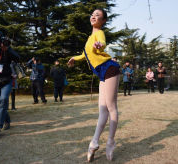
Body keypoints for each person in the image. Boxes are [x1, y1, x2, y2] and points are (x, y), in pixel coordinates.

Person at [67, 9, 120, 162]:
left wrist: (100, 45)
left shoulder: (99, 33)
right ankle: (94, 141)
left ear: (103, 21)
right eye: (93, 14)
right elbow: (85, 54)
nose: (94, 16)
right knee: (102, 109)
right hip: (102, 72)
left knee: (111, 107)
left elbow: (102, 43)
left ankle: (110, 142)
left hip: (109, 68)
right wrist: (74, 58)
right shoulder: (90, 37)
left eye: (98, 15)